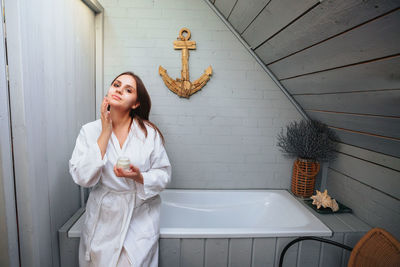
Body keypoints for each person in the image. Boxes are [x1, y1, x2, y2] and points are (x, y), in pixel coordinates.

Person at [69, 71, 172, 266]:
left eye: (128, 89)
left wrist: (140, 177)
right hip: (104, 217)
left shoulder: (149, 134)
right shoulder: (90, 131)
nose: (119, 90)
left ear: (135, 103)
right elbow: (82, 177)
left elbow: (164, 175)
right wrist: (106, 131)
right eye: (116, 85)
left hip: (139, 216)